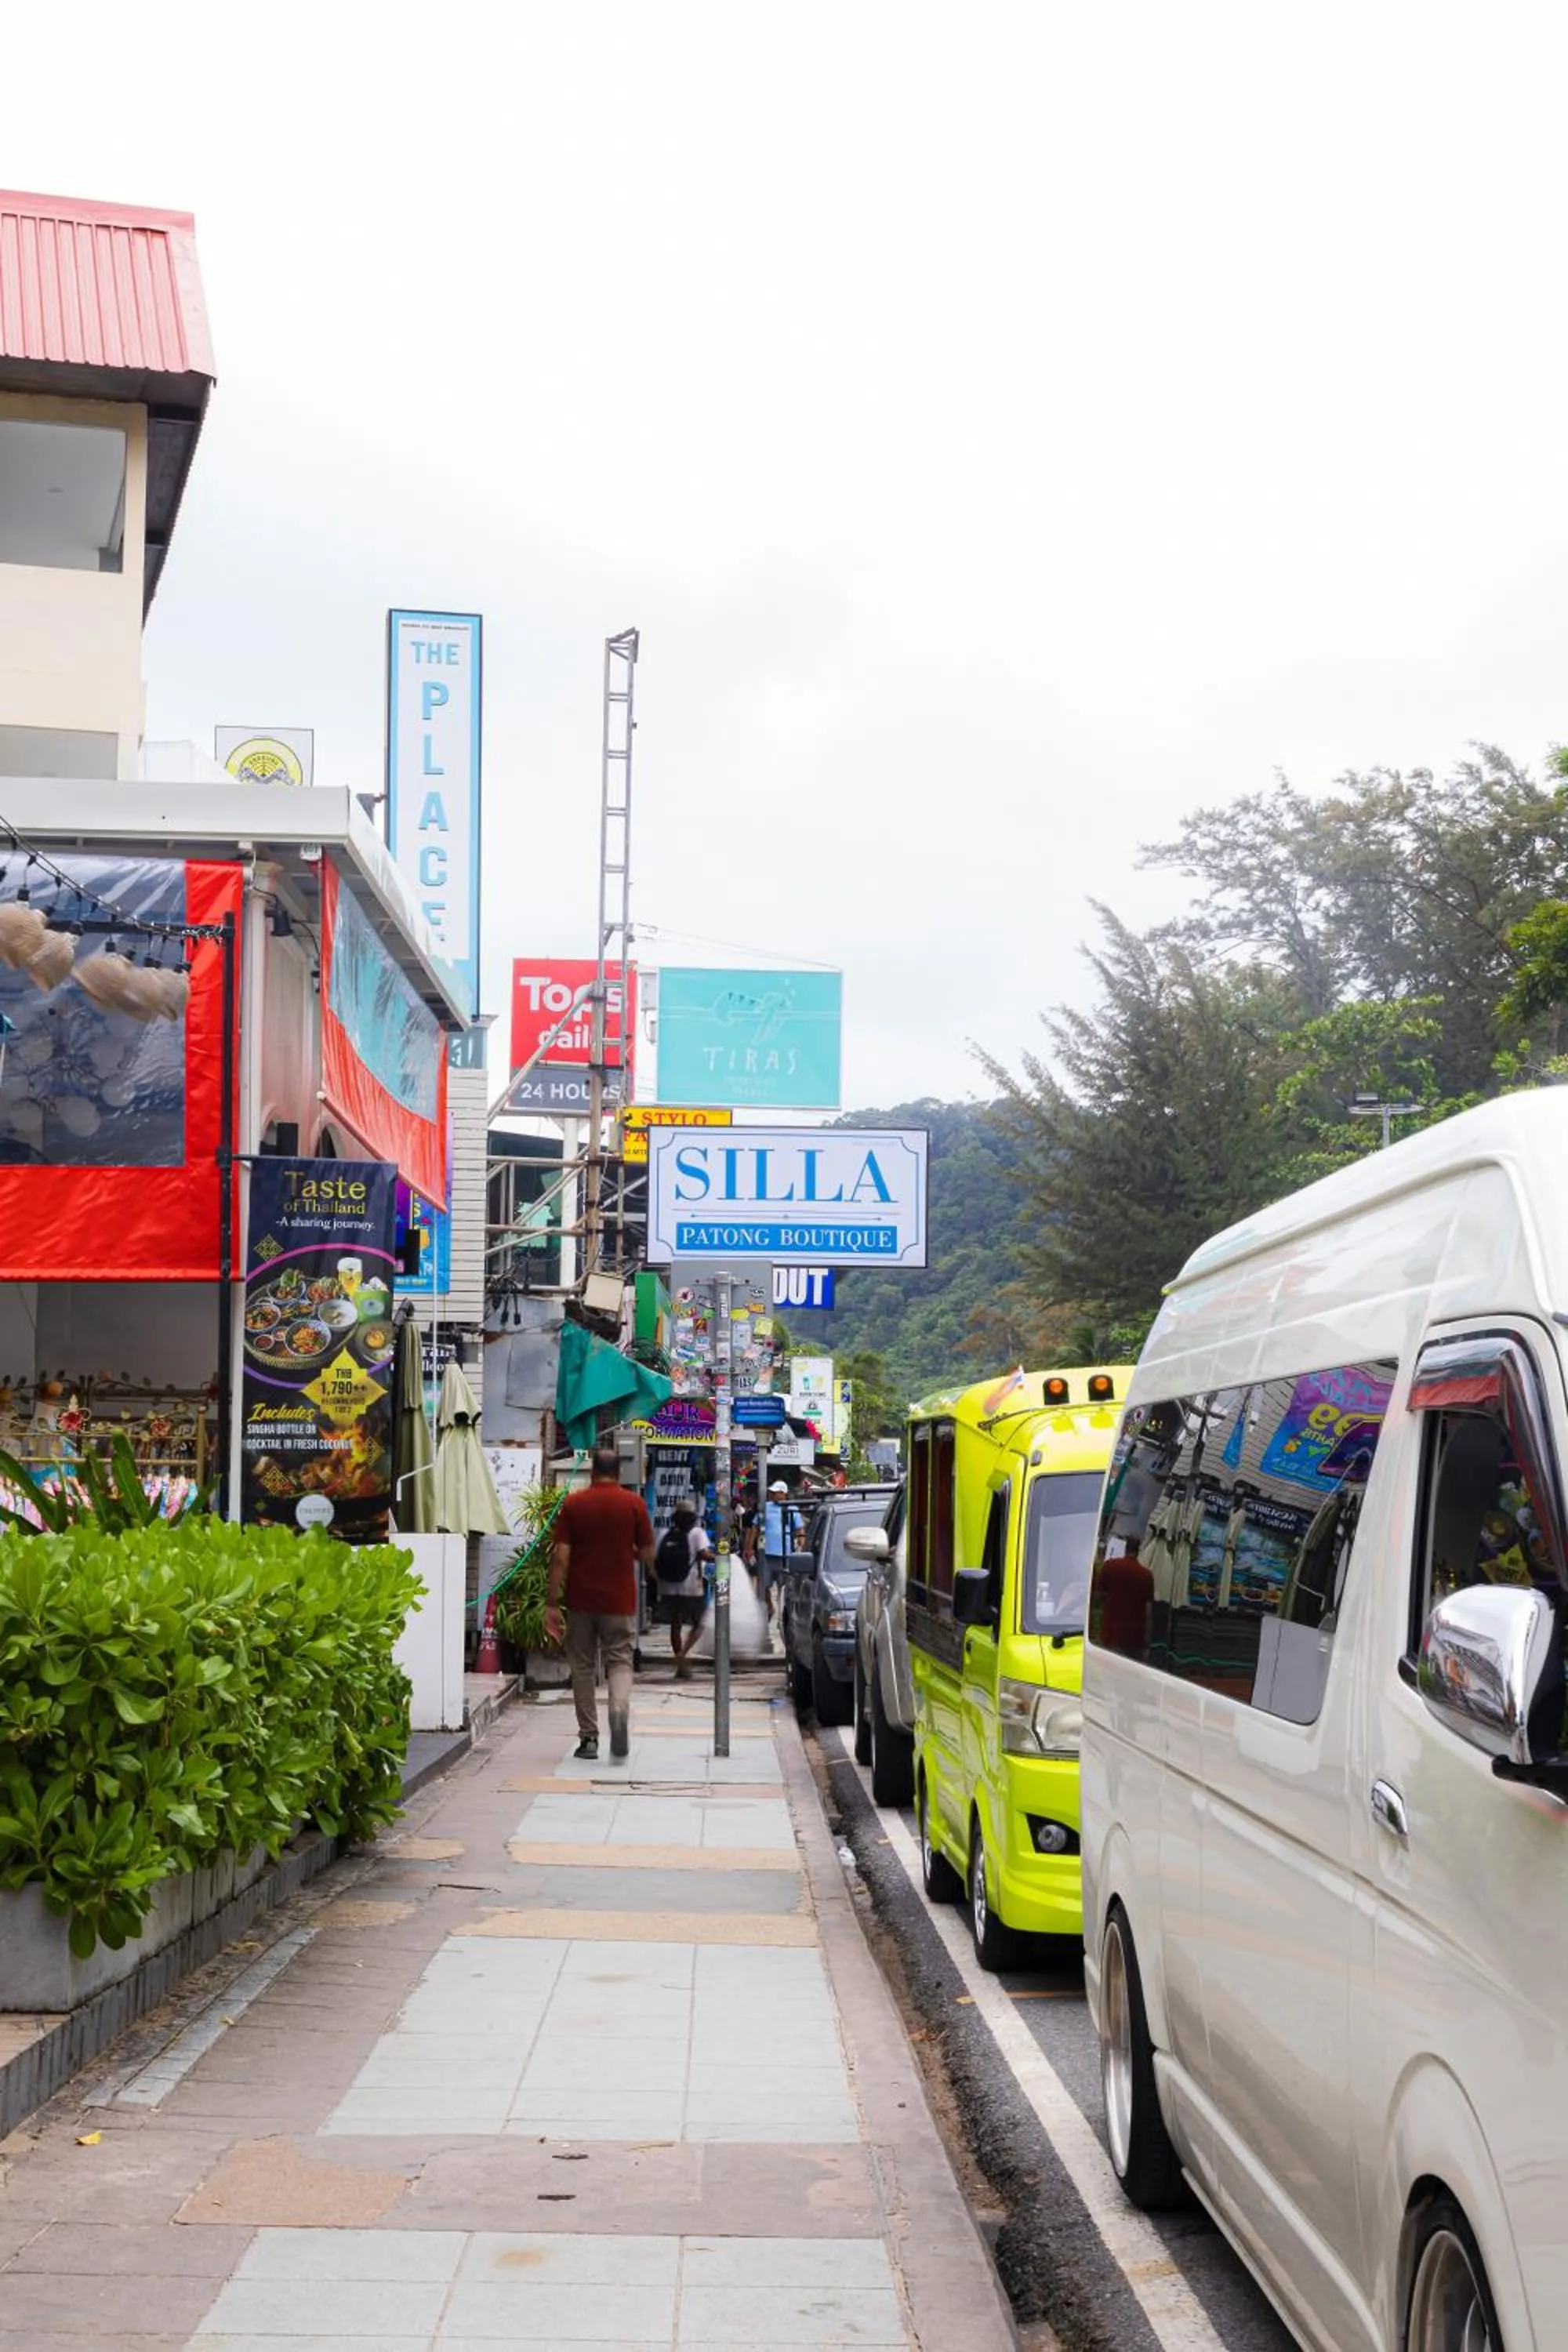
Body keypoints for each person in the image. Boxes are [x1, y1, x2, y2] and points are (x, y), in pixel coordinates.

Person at [545, 1448, 656, 1762]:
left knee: (582, 1667)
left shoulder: (574, 1504)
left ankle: (589, 1739)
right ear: (619, 1473)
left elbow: (561, 1557)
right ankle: (619, 1710)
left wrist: (552, 1601)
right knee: (620, 1660)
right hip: (620, 1600)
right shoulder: (634, 1504)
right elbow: (648, 1553)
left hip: (581, 1599)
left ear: (592, 1472)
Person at [656, 1502, 711, 1678]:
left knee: (675, 1623)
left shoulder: (666, 1533)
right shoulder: (697, 1533)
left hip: (669, 1586)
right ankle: (682, 1655)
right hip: (691, 1586)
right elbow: (704, 1554)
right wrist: (722, 1556)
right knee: (700, 1623)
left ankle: (679, 1660)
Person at [757, 1478, 796, 1624]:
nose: (772, 1495)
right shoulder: (765, 1508)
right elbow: (756, 1527)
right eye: (771, 1493)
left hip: (785, 1555)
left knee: (784, 1587)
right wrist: (749, 1547)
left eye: (775, 1493)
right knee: (763, 1585)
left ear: (784, 1494)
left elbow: (799, 1530)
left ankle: (782, 1615)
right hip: (766, 1553)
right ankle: (770, 1607)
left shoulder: (791, 1508)